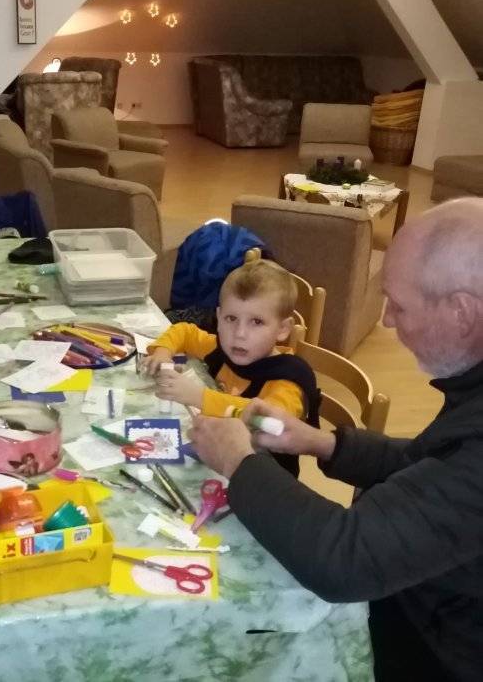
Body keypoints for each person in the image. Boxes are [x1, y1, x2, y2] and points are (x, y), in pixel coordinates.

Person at [189, 197, 483, 681]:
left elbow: (345, 559)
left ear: (462, 313)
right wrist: (320, 443)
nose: (386, 320)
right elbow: (429, 461)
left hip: (435, 651)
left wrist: (239, 461)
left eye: (399, 305)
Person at [143, 259, 320, 477]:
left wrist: (199, 397)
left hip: (263, 480)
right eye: (231, 318)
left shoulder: (287, 380)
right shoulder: (223, 349)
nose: (239, 334)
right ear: (218, 318)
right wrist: (162, 352)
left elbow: (269, 419)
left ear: (283, 329)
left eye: (256, 322)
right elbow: (184, 331)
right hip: (218, 458)